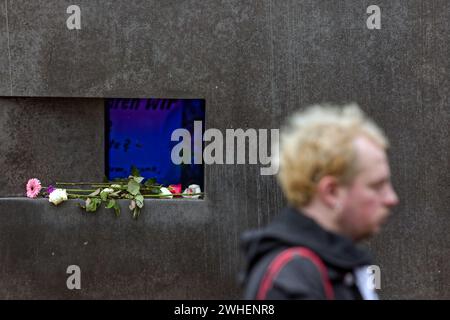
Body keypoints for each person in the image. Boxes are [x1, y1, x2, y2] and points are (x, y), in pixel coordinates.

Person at [240, 104, 399, 300]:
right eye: (376, 186)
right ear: (331, 192)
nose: (391, 199)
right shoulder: (291, 280)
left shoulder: (336, 268)